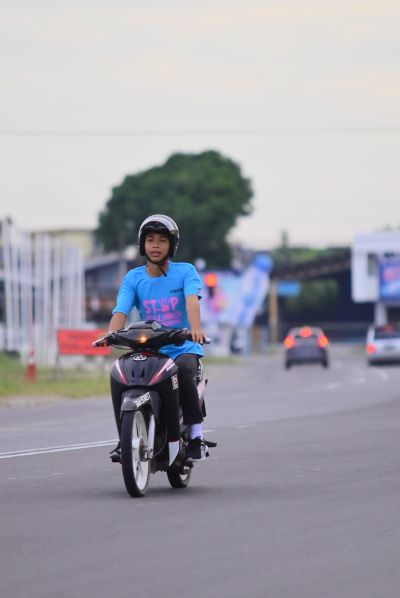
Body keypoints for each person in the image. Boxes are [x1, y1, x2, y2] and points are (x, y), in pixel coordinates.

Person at [107, 214, 207, 462]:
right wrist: (110, 335)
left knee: (184, 369)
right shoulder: (133, 278)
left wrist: (195, 329)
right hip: (151, 348)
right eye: (150, 240)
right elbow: (121, 310)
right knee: (119, 372)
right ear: (142, 244)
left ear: (171, 245)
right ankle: (124, 439)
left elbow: (191, 301)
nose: (155, 245)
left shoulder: (185, 272)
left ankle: (196, 435)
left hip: (183, 345)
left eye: (162, 240)